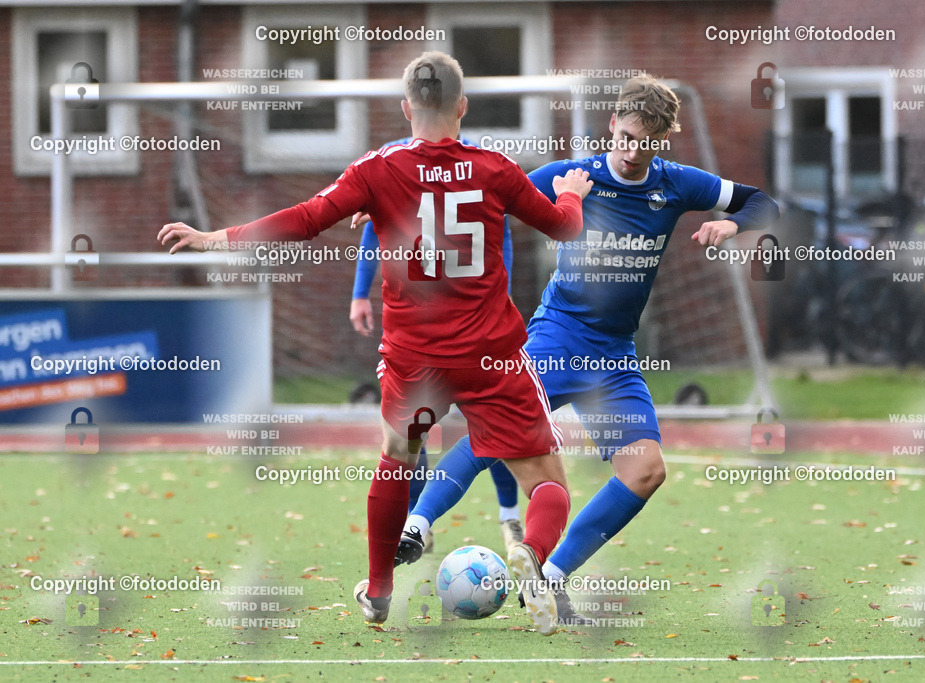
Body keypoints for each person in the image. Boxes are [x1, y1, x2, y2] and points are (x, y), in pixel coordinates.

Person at [157, 51, 594, 636]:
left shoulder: (378, 169)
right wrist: (571, 193)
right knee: (547, 482)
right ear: (462, 106)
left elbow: (308, 218)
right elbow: (563, 227)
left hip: (416, 359)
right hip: (491, 355)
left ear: (406, 107)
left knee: (397, 459)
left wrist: (218, 237)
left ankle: (380, 590)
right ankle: (533, 555)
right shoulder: (496, 168)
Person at [392, 74, 780, 624]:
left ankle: (548, 578)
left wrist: (732, 226)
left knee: (646, 469)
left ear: (661, 141)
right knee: (495, 433)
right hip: (559, 336)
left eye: (644, 144)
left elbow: (764, 203)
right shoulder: (575, 178)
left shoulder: (677, 185)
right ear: (611, 127)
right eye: (623, 137)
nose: (630, 152)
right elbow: (483, 199)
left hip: (615, 356)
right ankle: (419, 524)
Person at [348, 143, 524, 557]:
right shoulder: (391, 164)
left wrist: (503, 295)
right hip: (419, 329)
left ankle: (509, 515)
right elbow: (373, 228)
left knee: (493, 423)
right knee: (414, 428)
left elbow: (505, 232)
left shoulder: (480, 166)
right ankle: (416, 526)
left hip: (471, 325)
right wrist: (359, 294)